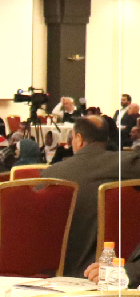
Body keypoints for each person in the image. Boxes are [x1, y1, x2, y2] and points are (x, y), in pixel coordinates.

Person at [42, 116, 140, 276]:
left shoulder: (52, 175)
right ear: (106, 138)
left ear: (79, 139)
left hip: (62, 272)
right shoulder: (128, 163)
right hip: (122, 270)